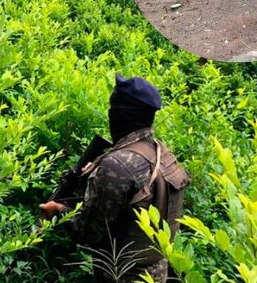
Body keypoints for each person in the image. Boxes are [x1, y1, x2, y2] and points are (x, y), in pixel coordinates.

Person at [40, 74, 189, 283]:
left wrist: (58, 211)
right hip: (156, 271)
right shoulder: (160, 152)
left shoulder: (117, 165)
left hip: (121, 275)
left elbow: (88, 232)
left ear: (117, 114)